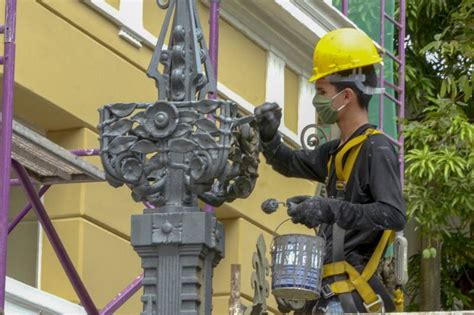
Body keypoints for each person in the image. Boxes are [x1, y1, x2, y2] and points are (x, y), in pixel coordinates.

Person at [254, 28, 406, 314]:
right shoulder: (335, 152)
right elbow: (287, 162)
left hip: (351, 293)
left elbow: (394, 215)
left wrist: (328, 209)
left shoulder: (377, 148)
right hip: (327, 292)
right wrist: (269, 136)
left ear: (346, 95)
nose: (317, 99)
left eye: (322, 92)